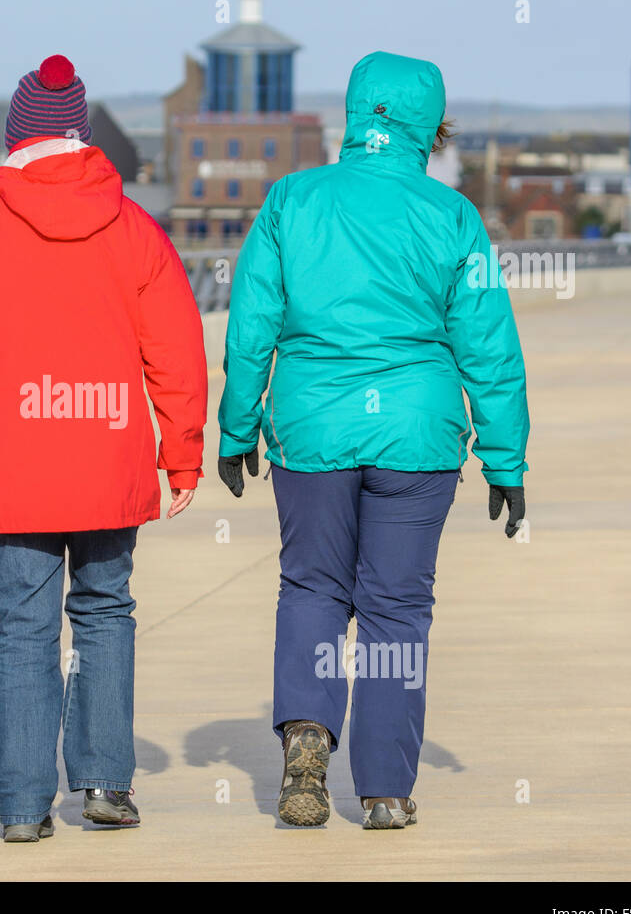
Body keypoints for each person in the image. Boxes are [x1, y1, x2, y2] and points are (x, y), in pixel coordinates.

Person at [217, 51, 529, 830]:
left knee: (314, 586)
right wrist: (506, 457)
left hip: (311, 429)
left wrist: (235, 424)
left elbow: (252, 321)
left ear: (355, 116)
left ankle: (308, 739)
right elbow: (489, 344)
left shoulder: (292, 200)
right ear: (428, 124)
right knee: (396, 607)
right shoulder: (452, 215)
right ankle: (386, 788)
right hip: (417, 436)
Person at [0, 55, 208, 842]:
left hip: (9, 459)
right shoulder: (134, 229)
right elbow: (175, 347)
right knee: (106, 612)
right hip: (106, 453)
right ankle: (106, 781)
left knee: (24, 627)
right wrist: (180, 450)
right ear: (80, 138)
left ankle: (22, 803)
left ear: (16, 139)